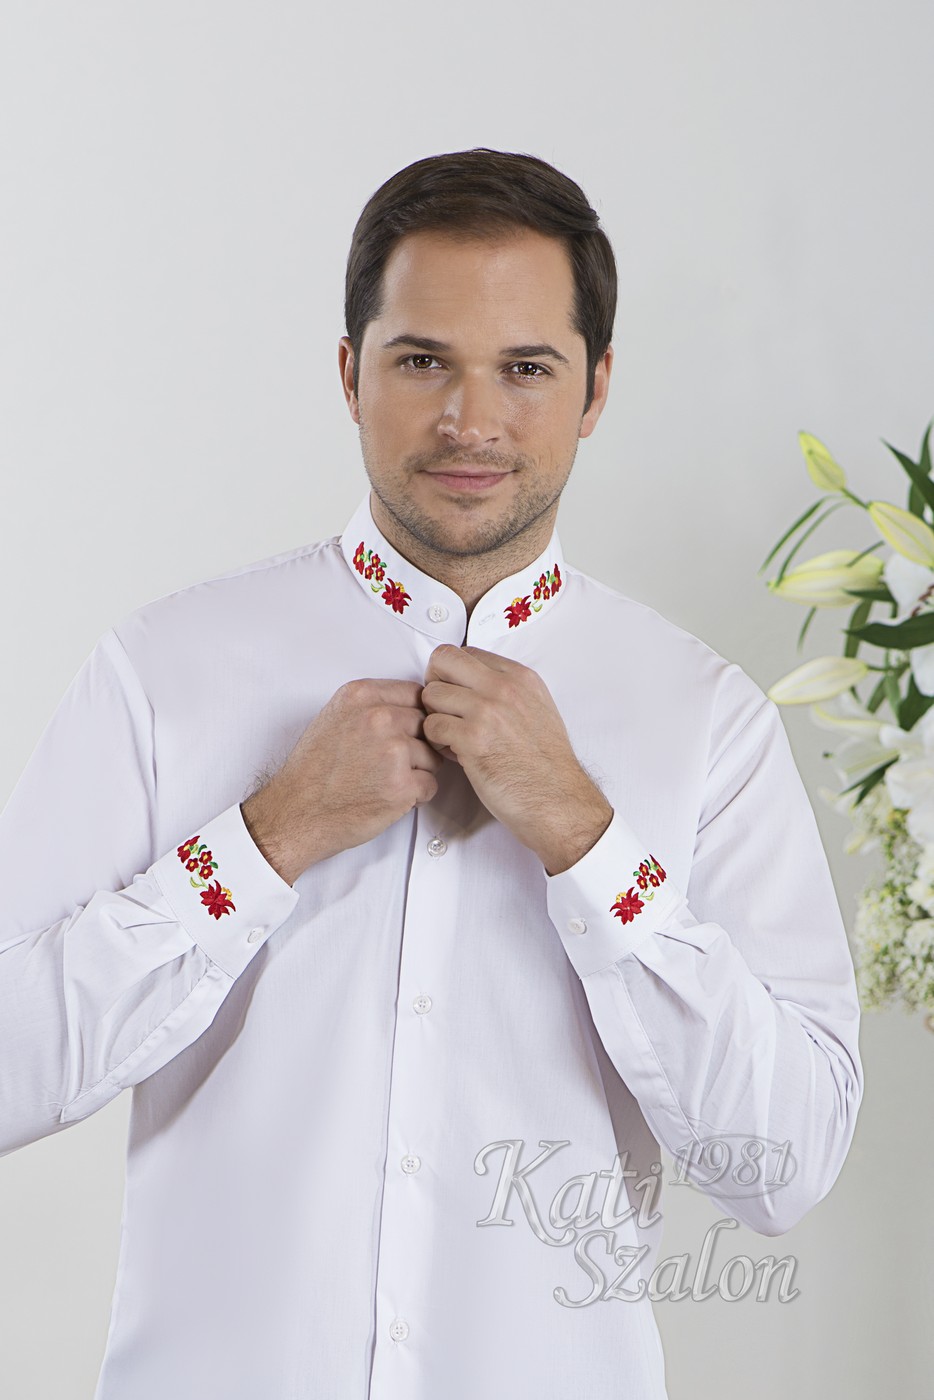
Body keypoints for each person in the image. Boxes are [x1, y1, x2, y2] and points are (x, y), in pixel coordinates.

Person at [0, 148, 863, 1399]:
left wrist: (586, 837)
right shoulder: (163, 669)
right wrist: (265, 837)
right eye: (421, 361)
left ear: (595, 388)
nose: (470, 419)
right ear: (349, 373)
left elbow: (784, 1161)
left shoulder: (705, 720)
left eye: (526, 367)